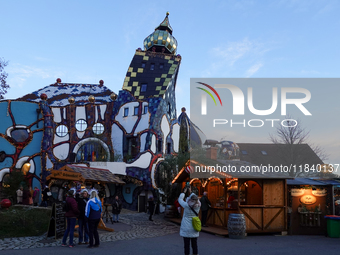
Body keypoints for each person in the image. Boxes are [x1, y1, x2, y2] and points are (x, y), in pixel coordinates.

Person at [178, 187, 201, 255]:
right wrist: (191, 192)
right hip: (194, 226)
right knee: (194, 244)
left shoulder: (186, 205)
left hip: (186, 226)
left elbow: (180, 199)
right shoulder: (198, 205)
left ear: (190, 199)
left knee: (186, 245)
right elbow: (195, 198)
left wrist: (184, 192)